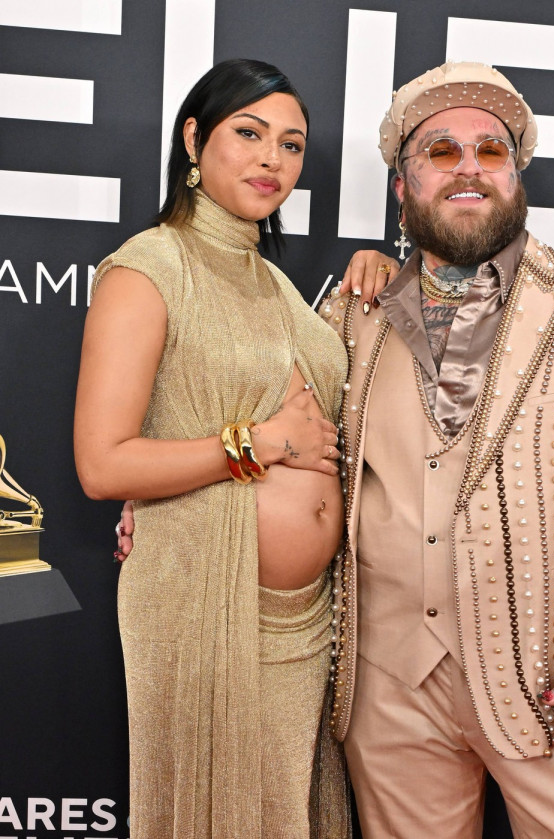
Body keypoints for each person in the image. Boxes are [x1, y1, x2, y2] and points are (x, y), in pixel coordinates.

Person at [318, 61, 554, 838]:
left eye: (490, 152)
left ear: (516, 176)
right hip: (388, 689)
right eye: (440, 151)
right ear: (402, 185)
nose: (468, 168)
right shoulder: (354, 315)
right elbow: (293, 448)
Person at [74, 58, 393, 839]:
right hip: (203, 601)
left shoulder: (269, 278)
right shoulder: (148, 268)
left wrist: (381, 272)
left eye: (291, 145)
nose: (271, 160)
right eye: (248, 134)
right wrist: (257, 445)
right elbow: (102, 463)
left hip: (305, 615)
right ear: (193, 139)